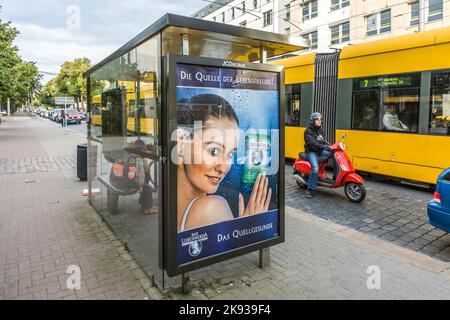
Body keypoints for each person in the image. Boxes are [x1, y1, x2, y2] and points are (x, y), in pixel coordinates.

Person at [176, 94, 272, 232]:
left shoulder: (169, 204)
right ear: (181, 143)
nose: (224, 167)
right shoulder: (212, 209)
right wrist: (246, 231)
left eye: (230, 154)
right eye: (214, 151)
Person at [304, 112, 333, 199]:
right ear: (313, 121)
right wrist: (324, 147)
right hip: (311, 152)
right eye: (317, 120)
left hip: (319, 151)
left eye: (320, 120)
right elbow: (313, 143)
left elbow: (322, 141)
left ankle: (335, 177)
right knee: (315, 168)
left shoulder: (320, 130)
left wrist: (330, 146)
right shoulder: (308, 131)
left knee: (333, 155)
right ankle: (310, 189)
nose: (319, 121)